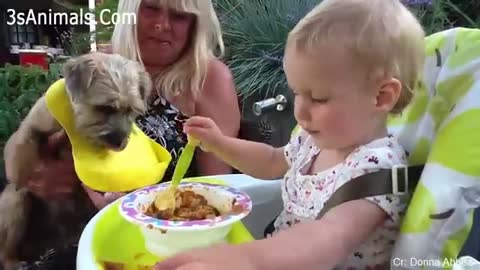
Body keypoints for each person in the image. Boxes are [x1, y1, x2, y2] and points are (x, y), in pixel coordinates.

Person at [154, 0, 426, 269]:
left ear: (381, 97)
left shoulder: (378, 170)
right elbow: (272, 161)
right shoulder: (314, 142)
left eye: (318, 98)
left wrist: (248, 258)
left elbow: (331, 236)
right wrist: (219, 143)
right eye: (297, 93)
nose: (300, 112)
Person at [1, 0, 240, 268]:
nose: (162, 24)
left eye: (179, 16)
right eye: (151, 8)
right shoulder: (97, 66)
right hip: (42, 217)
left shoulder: (208, 80)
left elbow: (216, 190)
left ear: (196, 24)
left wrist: (135, 205)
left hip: (146, 234)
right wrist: (33, 174)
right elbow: (24, 142)